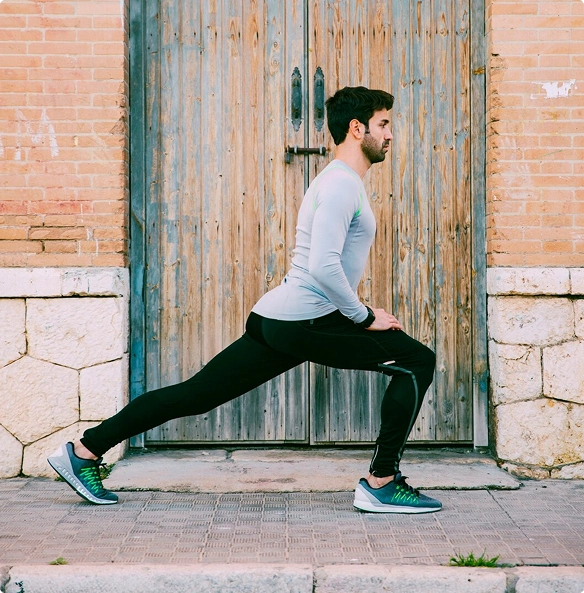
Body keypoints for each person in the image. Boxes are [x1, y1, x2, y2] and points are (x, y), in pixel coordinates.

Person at [48, 86, 441, 514]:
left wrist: (357, 314)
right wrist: (364, 317)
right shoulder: (341, 185)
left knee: (196, 395)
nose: (390, 135)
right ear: (356, 127)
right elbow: (324, 267)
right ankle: (382, 482)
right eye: (384, 124)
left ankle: (84, 452)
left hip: (280, 319)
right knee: (417, 361)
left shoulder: (340, 182)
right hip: (303, 321)